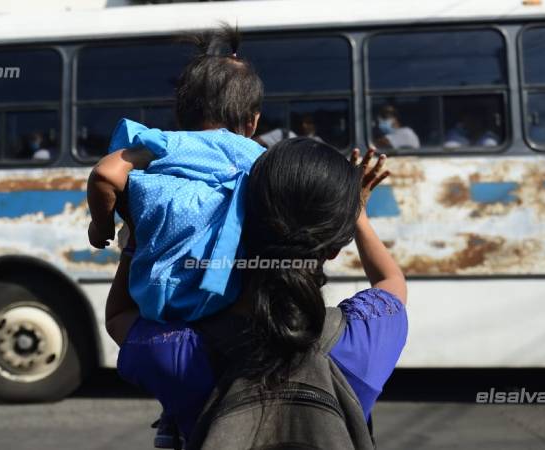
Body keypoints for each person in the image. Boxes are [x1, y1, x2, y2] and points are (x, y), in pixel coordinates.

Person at [107, 140, 408, 447]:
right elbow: (391, 280)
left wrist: (136, 239)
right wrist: (357, 213)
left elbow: (118, 317)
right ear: (334, 248)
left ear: (241, 223)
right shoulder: (363, 340)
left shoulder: (180, 353)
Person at [87, 25, 265, 447]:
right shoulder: (259, 158)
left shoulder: (166, 145)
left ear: (181, 112)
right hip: (227, 299)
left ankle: (175, 413)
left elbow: (105, 174)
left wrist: (102, 227)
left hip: (158, 303)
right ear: (252, 120)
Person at [254, 113, 323, 148]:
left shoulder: (319, 142)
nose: (304, 125)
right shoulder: (283, 134)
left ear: (315, 125)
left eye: (309, 122)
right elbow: (255, 142)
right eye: (301, 122)